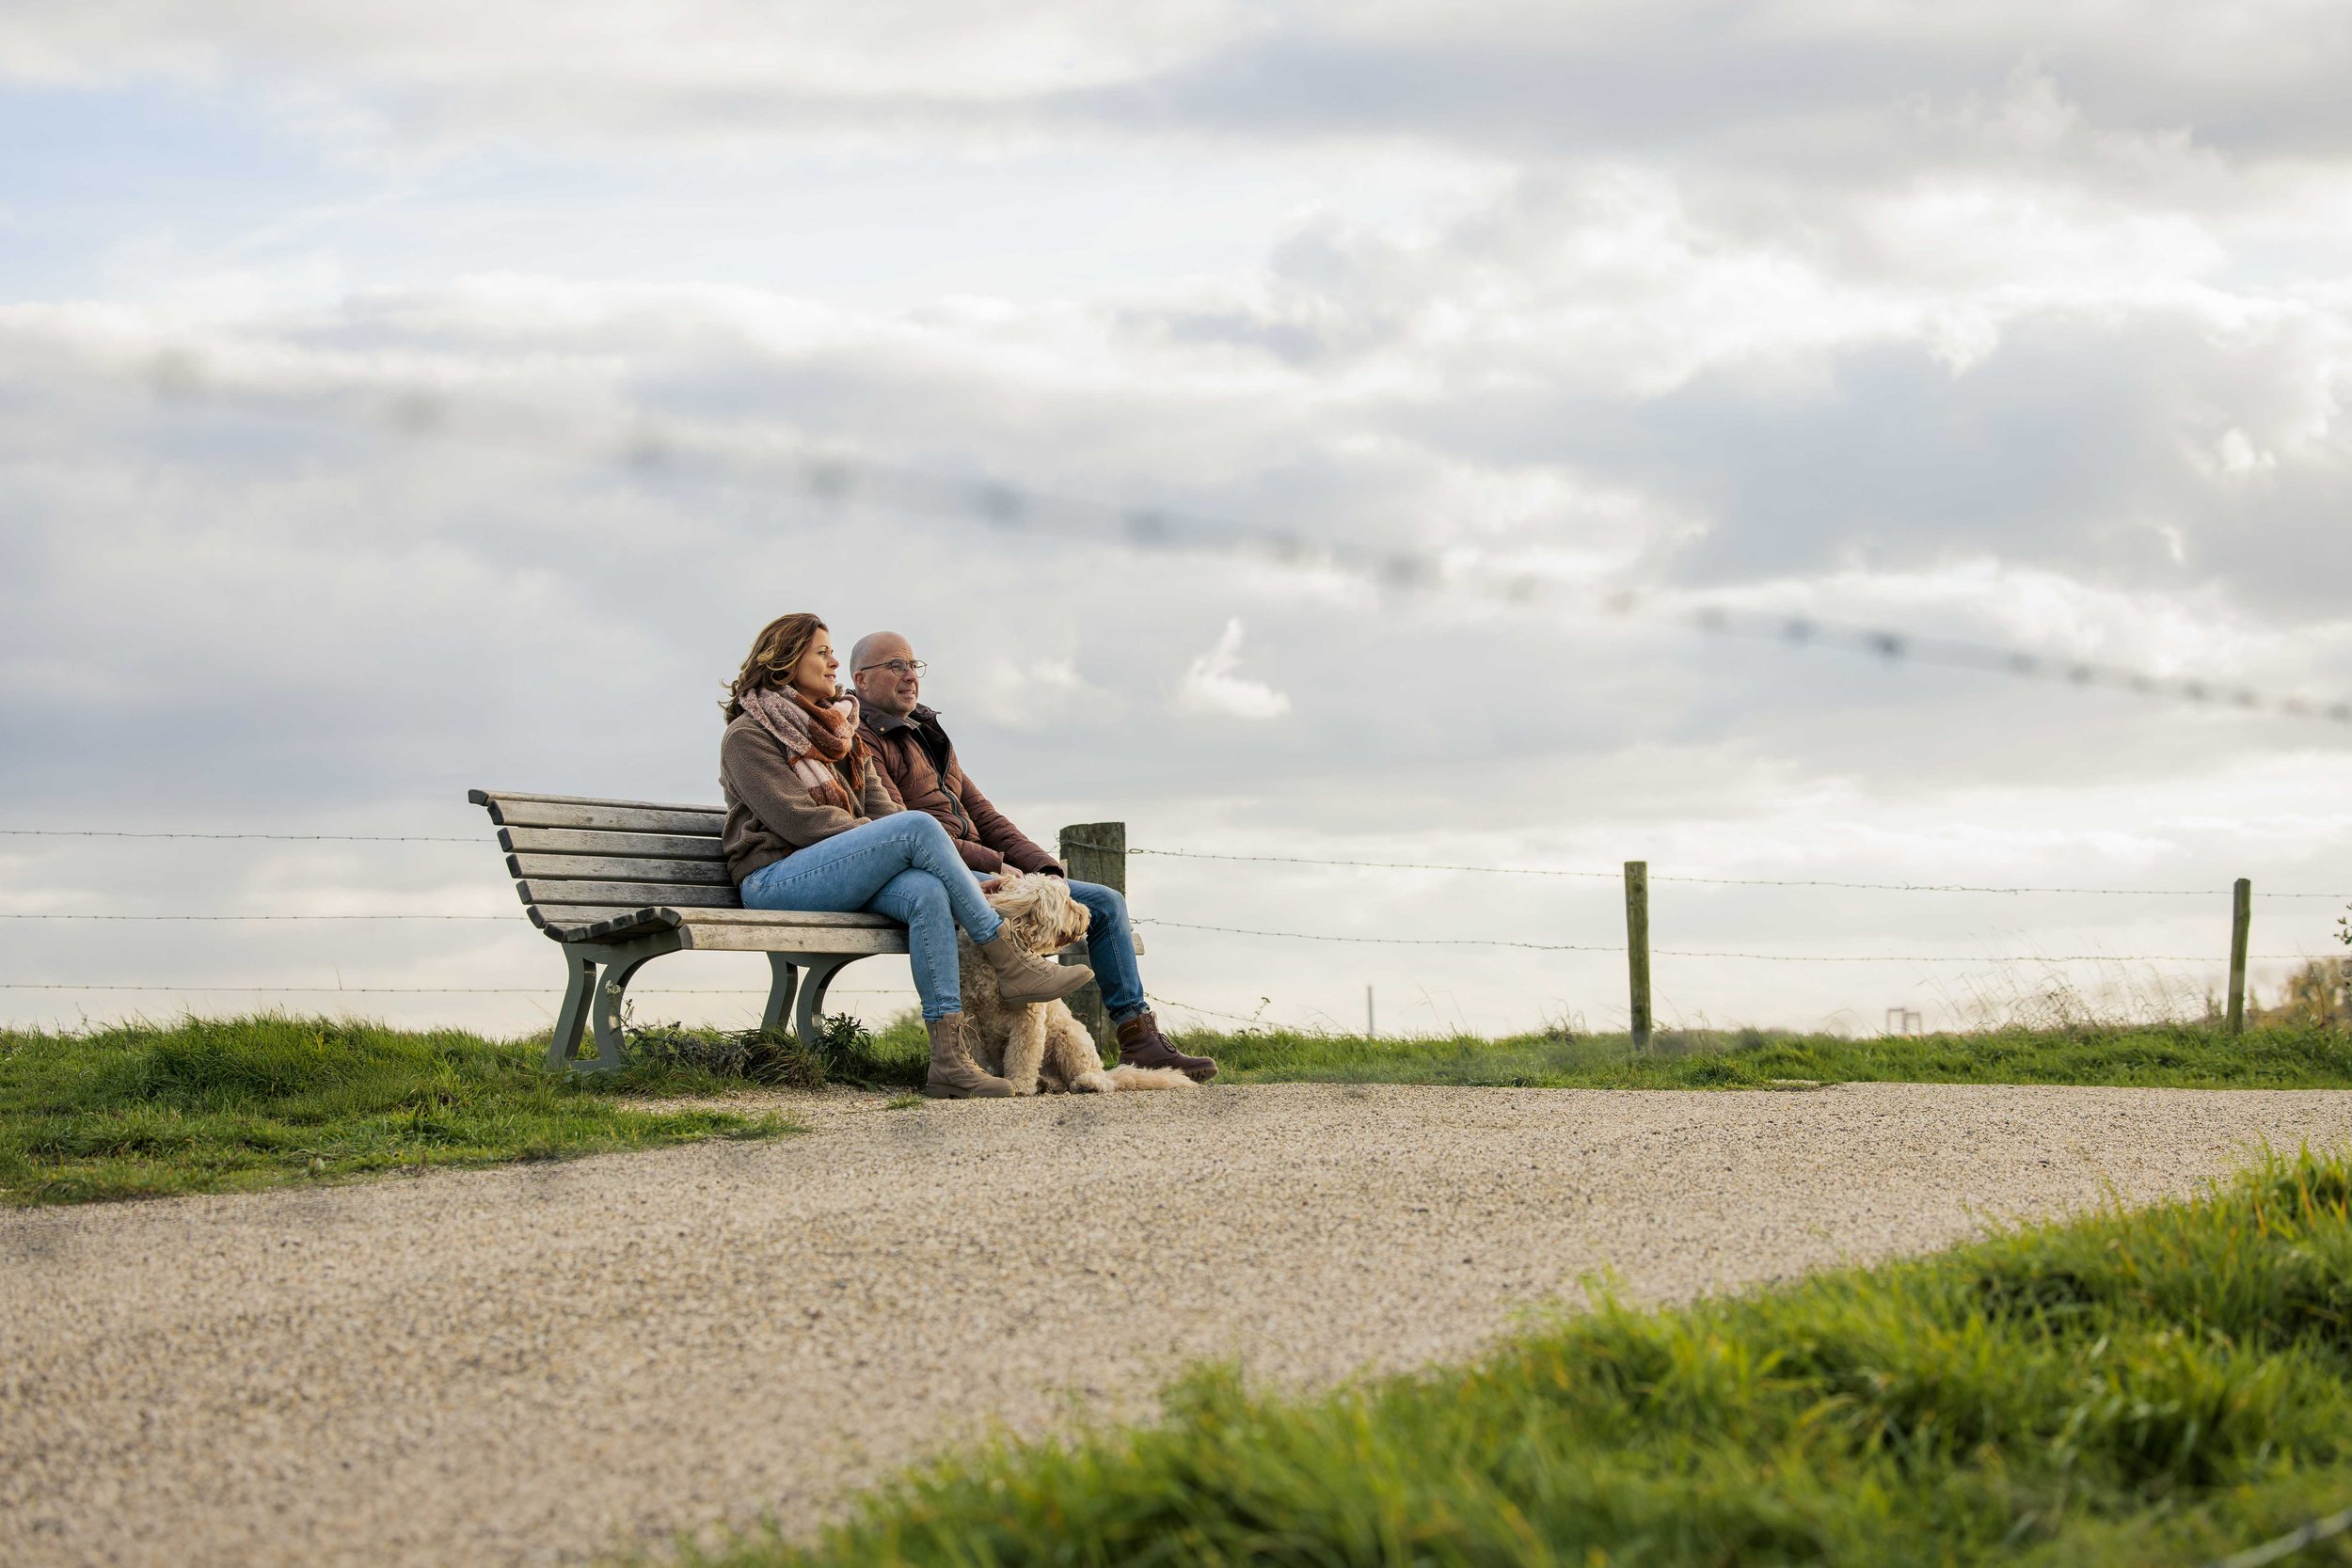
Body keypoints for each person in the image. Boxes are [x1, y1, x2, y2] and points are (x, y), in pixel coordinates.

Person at [718, 612, 1096, 1100]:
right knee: (915, 828)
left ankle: (949, 1062)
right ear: (785, 661)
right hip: (776, 878)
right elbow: (801, 823)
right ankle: (1009, 958)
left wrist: (928, 862)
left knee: (926, 890)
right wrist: (888, 842)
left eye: (833, 653)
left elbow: (885, 809)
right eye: (822, 653)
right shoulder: (748, 736)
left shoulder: (841, 732)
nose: (833, 662)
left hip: (839, 873)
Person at [849, 630, 1217, 1082]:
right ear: (861, 680)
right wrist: (992, 863)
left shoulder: (929, 735)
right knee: (1026, 907)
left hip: (986, 867)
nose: (910, 676)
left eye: (914, 665)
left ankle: (1139, 1038)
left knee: (1104, 902)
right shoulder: (861, 739)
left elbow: (985, 814)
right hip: (937, 874)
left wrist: (1044, 870)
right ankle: (990, 1052)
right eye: (896, 666)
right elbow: (903, 828)